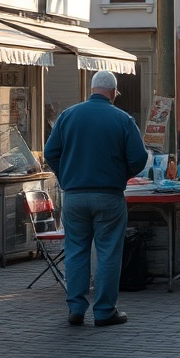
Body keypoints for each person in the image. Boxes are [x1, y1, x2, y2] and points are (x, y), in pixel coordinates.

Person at [44, 70, 148, 328]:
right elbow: (139, 158)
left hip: (75, 196)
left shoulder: (68, 116)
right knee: (108, 253)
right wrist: (121, 174)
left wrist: (66, 175)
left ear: (92, 89)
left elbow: (50, 152)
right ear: (113, 92)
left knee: (76, 252)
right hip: (109, 195)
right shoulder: (123, 119)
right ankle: (104, 311)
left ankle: (76, 308)